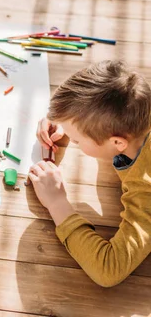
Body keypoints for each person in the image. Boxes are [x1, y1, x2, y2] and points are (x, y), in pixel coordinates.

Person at [30, 60, 151, 287]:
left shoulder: (146, 190)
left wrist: (58, 204)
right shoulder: (138, 108)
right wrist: (69, 121)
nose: (71, 140)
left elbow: (108, 270)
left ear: (117, 142)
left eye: (76, 139)